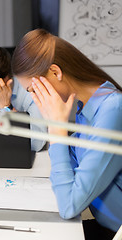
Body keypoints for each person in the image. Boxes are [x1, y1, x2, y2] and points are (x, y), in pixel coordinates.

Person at [11, 28, 122, 240]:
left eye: (35, 90)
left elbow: (70, 206)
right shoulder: (85, 106)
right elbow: (74, 170)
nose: (35, 99)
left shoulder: (112, 109)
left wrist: (57, 132)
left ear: (55, 72)